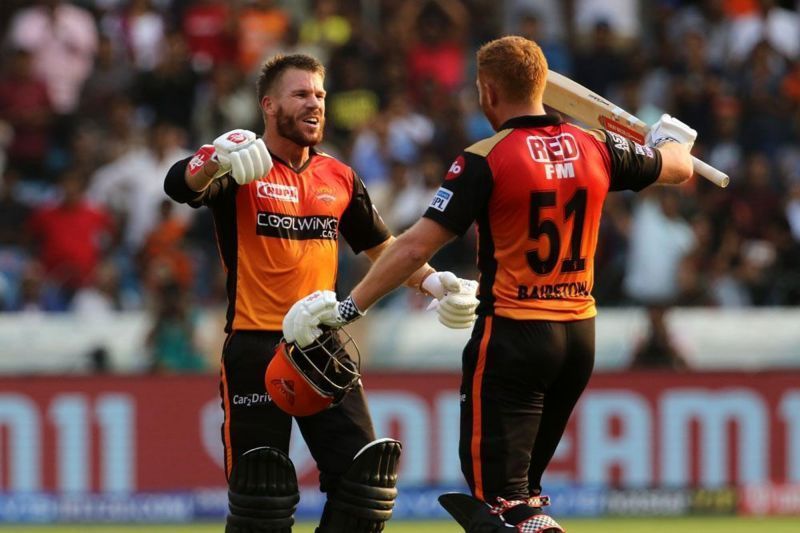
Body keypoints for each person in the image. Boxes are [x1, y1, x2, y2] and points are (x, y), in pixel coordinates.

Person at [284, 36, 697, 532]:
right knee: (523, 498)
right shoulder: (597, 148)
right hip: (577, 338)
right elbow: (679, 166)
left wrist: (350, 309)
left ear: (487, 92)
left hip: (514, 338)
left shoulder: (485, 158)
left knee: (498, 505)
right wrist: (667, 139)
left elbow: (414, 247)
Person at [163, 53, 477, 533]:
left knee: (365, 484)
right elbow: (181, 185)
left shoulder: (340, 176)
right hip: (255, 346)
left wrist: (432, 281)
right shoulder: (239, 167)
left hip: (320, 345)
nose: (315, 105)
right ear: (269, 105)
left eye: (320, 96)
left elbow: (384, 247)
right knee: (261, 498)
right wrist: (212, 157)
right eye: (301, 95)